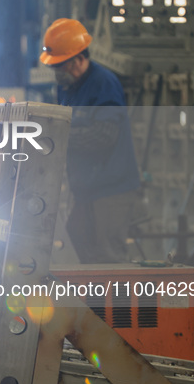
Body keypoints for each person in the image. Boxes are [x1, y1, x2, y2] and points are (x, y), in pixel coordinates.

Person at [40, 18, 142, 263]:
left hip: (111, 192)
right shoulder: (68, 87)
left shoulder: (103, 84)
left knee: (108, 259)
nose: (55, 72)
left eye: (58, 67)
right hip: (86, 190)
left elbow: (102, 138)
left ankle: (116, 303)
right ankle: (90, 303)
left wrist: (56, 139)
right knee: (77, 249)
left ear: (76, 60)